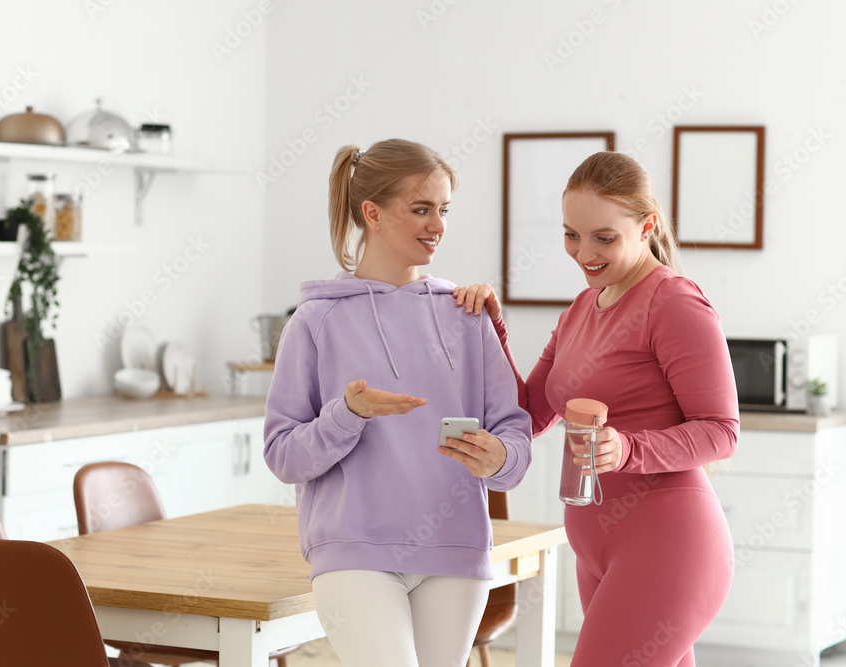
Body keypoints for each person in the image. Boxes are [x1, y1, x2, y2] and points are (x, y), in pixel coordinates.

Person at [454, 151, 738, 666]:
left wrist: (627, 449)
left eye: (603, 238)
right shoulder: (582, 309)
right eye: (571, 235)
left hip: (668, 544)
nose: (584, 252)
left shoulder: (673, 302)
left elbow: (722, 431)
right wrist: (491, 326)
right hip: (596, 546)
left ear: (647, 225)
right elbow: (528, 412)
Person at [263, 139, 533, 667]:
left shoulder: (467, 316)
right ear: (373, 213)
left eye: (444, 210)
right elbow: (282, 454)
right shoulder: (315, 321)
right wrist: (348, 415)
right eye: (421, 208)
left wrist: (499, 457)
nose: (438, 224)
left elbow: (515, 436)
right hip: (354, 551)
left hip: (455, 547)